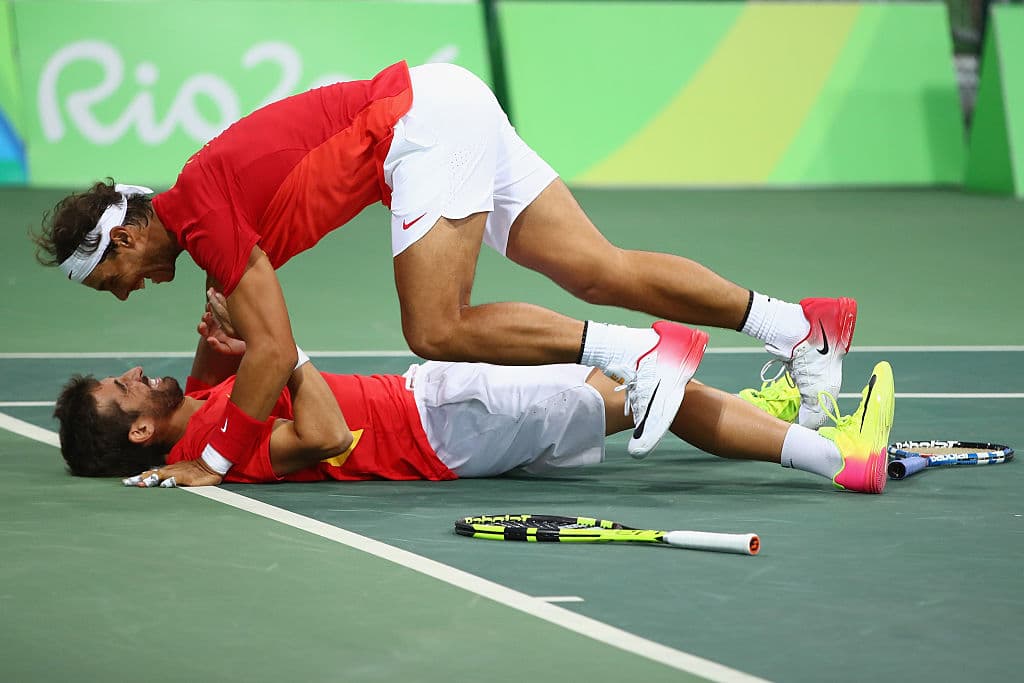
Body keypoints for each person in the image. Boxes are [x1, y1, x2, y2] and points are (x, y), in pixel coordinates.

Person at [33, 60, 858, 485]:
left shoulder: (205, 221)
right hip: (442, 104)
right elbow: (252, 350)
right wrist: (222, 359)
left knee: (435, 326)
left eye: (115, 279)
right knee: (599, 269)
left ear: (125, 241)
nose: (128, 291)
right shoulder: (209, 220)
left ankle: (634, 353)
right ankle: (799, 328)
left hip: (416, 130)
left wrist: (208, 463)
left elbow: (276, 353)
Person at [52, 306, 894, 494]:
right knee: (653, 387)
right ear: (138, 427)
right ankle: (835, 456)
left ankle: (788, 420)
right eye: (124, 387)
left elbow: (228, 314)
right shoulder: (226, 452)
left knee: (644, 394)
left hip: (448, 410)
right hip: (448, 421)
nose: (135, 371)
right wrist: (288, 352)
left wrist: (233, 323)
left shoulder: (201, 404)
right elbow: (328, 433)